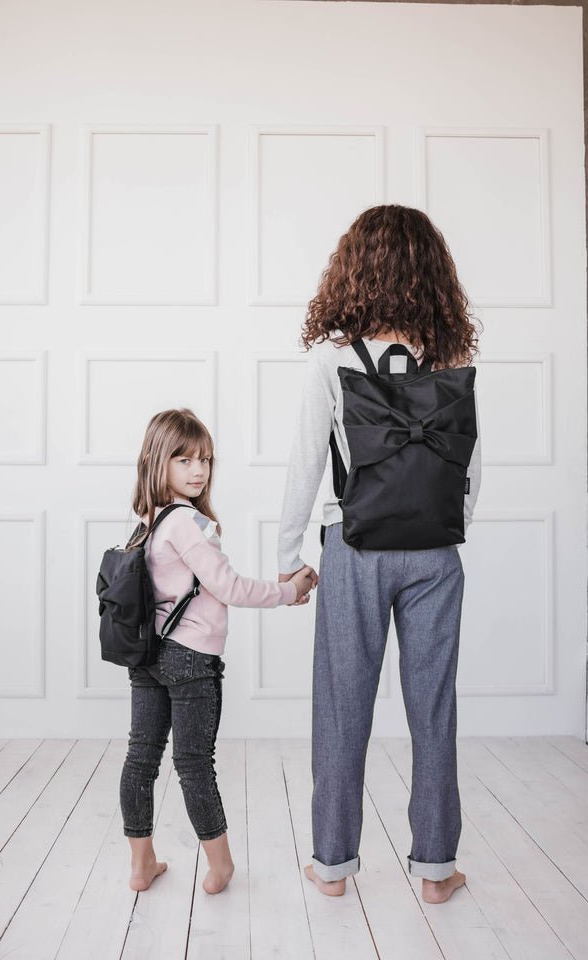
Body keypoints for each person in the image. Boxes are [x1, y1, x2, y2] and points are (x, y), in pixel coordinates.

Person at [277, 204, 482, 903]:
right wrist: (449, 534)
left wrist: (286, 556)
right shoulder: (451, 354)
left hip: (353, 549)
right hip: (434, 554)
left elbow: (305, 462)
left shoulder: (332, 357)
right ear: (433, 271)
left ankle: (332, 867)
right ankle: (435, 870)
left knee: (342, 708)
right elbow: (468, 465)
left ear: (353, 267)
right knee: (434, 709)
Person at [120, 408, 314, 895]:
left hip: (147, 657)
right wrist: (290, 591)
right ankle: (220, 866)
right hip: (190, 660)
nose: (198, 470)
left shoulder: (147, 522)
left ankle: (141, 866)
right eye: (183, 459)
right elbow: (227, 586)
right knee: (193, 763)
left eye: (205, 459)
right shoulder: (187, 522)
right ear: (156, 460)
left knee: (141, 758)